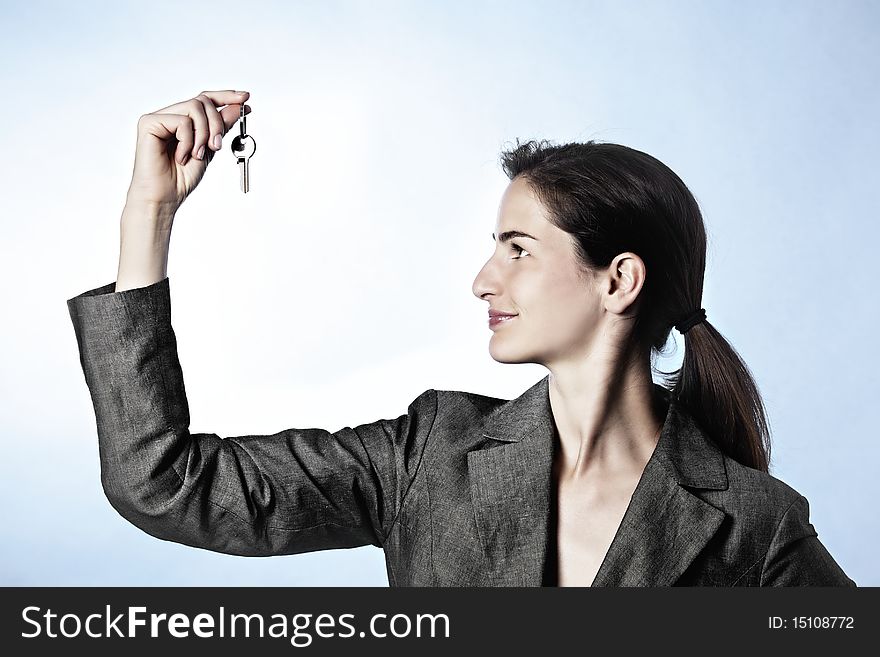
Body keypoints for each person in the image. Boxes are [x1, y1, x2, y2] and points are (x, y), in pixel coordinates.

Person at [67, 89, 856, 587]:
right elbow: (162, 482)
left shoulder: (757, 526)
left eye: (518, 248)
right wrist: (151, 213)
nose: (484, 279)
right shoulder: (426, 455)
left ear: (618, 280)